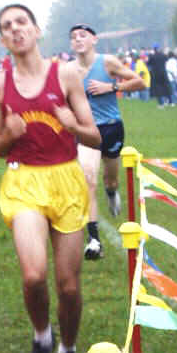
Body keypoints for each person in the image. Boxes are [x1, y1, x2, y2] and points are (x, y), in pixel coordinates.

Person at [0, 4, 101, 353]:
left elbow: (94, 135)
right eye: (7, 26)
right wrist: (10, 134)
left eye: (22, 22)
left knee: (68, 285)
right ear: (3, 39)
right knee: (34, 276)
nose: (15, 29)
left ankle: (67, 351)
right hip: (23, 184)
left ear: (36, 30)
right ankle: (42, 339)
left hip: (66, 179)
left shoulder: (65, 73)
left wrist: (72, 124)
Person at [67, 24, 145, 261]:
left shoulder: (108, 62)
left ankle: (112, 192)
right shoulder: (67, 70)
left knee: (109, 178)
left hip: (111, 126)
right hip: (86, 131)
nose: (78, 40)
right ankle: (94, 241)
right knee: (88, 178)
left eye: (83, 35)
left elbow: (139, 82)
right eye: (73, 37)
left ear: (94, 40)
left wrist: (111, 87)